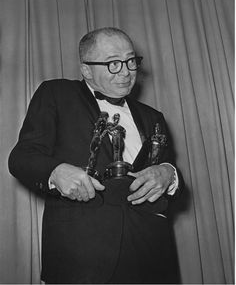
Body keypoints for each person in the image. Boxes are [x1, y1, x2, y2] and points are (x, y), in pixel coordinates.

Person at [8, 27, 181, 284]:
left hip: (150, 256)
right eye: (113, 63)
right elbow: (22, 157)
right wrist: (55, 171)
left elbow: (171, 173)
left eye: (131, 61)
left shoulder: (153, 116)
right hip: (80, 257)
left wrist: (169, 173)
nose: (125, 71)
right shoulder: (56, 93)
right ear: (87, 69)